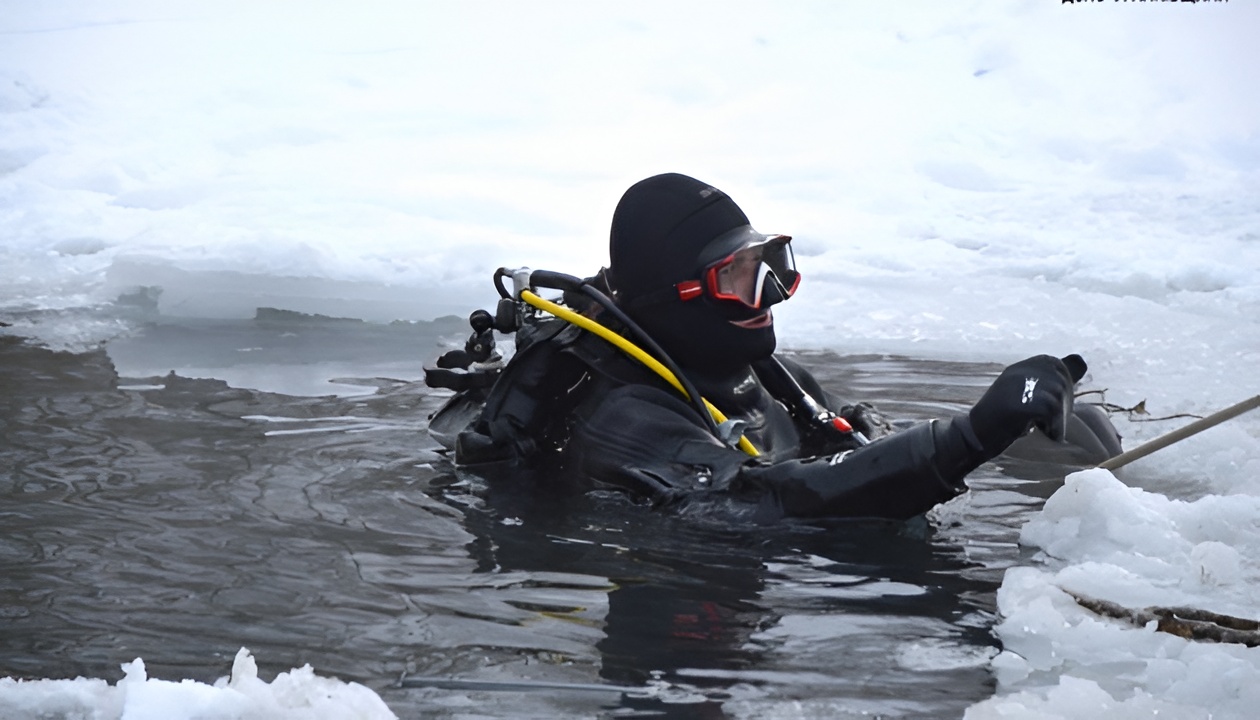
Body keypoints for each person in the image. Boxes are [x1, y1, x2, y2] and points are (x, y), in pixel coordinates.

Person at [433, 172, 1122, 522]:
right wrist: (970, 437)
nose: (769, 294)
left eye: (772, 266)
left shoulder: (765, 373)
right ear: (676, 294)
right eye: (735, 277)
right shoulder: (628, 419)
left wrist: (1013, 438)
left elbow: (846, 449)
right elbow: (763, 505)